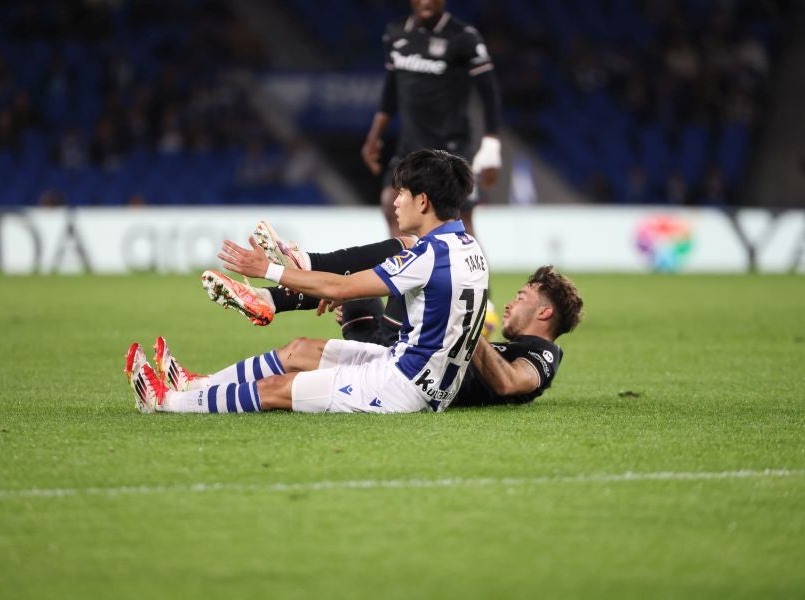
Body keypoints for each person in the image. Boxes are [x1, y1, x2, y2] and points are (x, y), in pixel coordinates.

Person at [125, 149, 489, 414]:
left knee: (277, 390)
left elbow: (342, 289)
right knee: (301, 349)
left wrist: (266, 270)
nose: (395, 203)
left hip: (403, 385)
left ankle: (165, 401)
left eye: (402, 194)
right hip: (426, 375)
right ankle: (195, 384)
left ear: (423, 202)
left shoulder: (428, 256)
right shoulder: (467, 247)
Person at [196, 225, 583, 408]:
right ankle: (269, 298)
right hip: (399, 349)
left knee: (408, 251)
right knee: (397, 262)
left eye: (522, 296)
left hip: (401, 365)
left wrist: (464, 327)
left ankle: (277, 291)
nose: (512, 303)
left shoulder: (542, 353)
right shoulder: (512, 344)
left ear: (545, 312)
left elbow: (512, 384)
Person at [361, 0, 503, 239]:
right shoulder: (395, 33)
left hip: (451, 146)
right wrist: (374, 137)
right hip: (410, 145)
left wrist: (491, 145)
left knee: (458, 219)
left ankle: (471, 276)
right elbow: (391, 90)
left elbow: (489, 92)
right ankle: (407, 274)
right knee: (391, 204)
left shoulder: (463, 37)